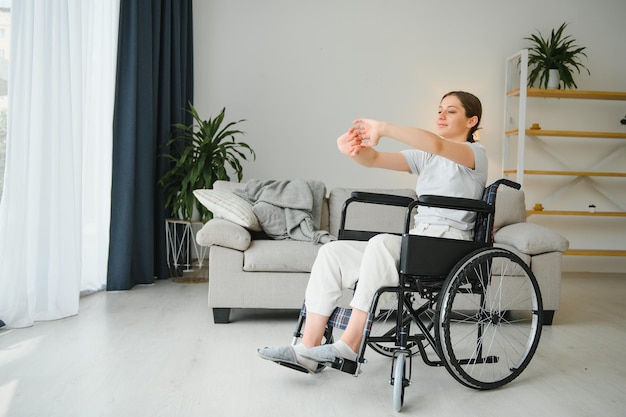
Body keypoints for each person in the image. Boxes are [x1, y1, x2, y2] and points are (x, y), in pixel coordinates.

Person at [258, 91, 488, 373]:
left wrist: (384, 128)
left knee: (381, 243)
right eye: (439, 109)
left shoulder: (475, 155)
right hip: (419, 241)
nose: (441, 115)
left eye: (451, 111)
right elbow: (374, 158)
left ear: (471, 120)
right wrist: (352, 150)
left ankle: (350, 346)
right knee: (332, 252)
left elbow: (437, 144)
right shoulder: (427, 157)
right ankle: (307, 348)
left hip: (448, 246)